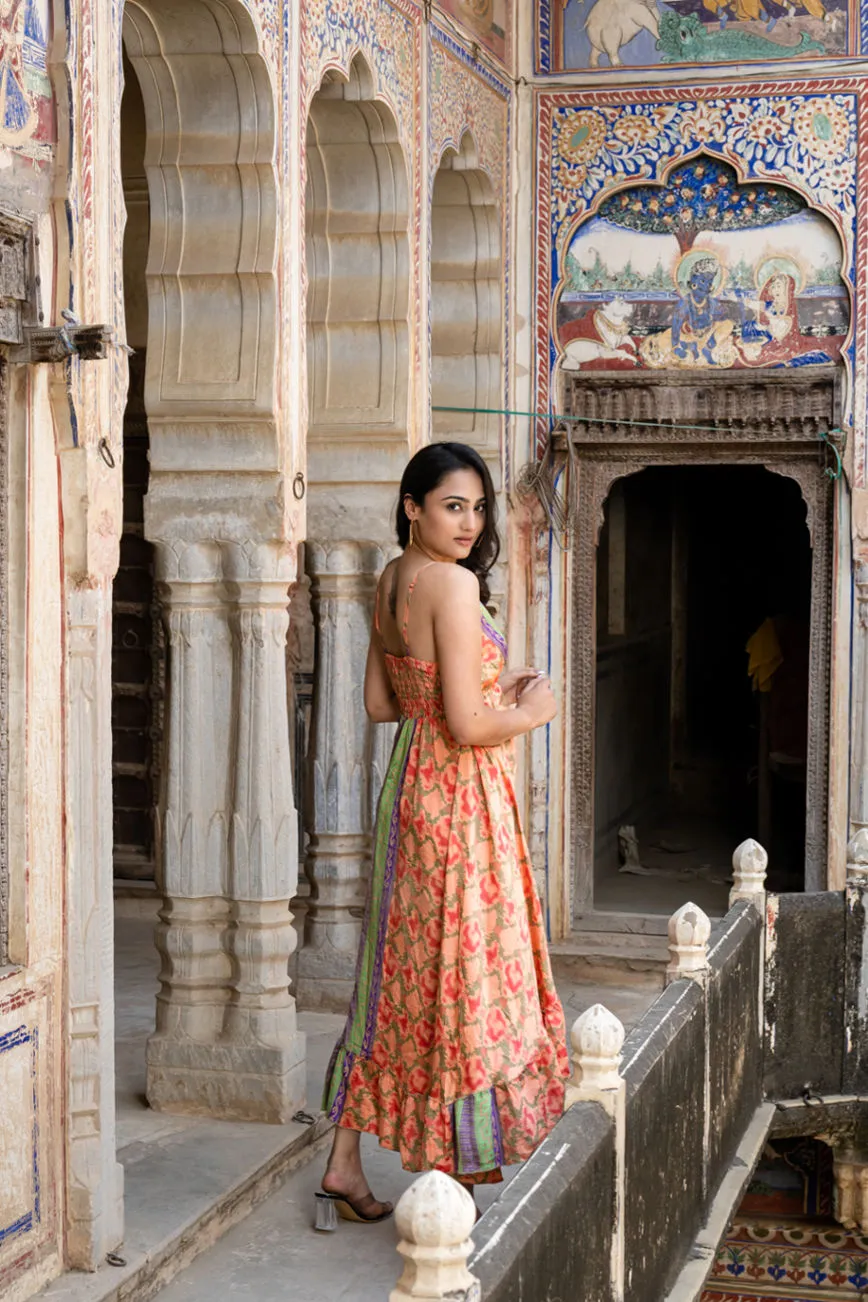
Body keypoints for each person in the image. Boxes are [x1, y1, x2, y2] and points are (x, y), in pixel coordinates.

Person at [316, 442, 569, 1230]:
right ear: (412, 506)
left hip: (410, 788)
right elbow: (466, 724)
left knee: (397, 973)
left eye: (478, 507)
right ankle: (451, 1175)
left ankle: (344, 1160)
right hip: (460, 798)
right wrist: (530, 711)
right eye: (452, 505)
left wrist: (495, 681)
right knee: (461, 974)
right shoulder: (454, 586)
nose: (469, 522)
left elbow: (386, 705)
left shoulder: (395, 578)